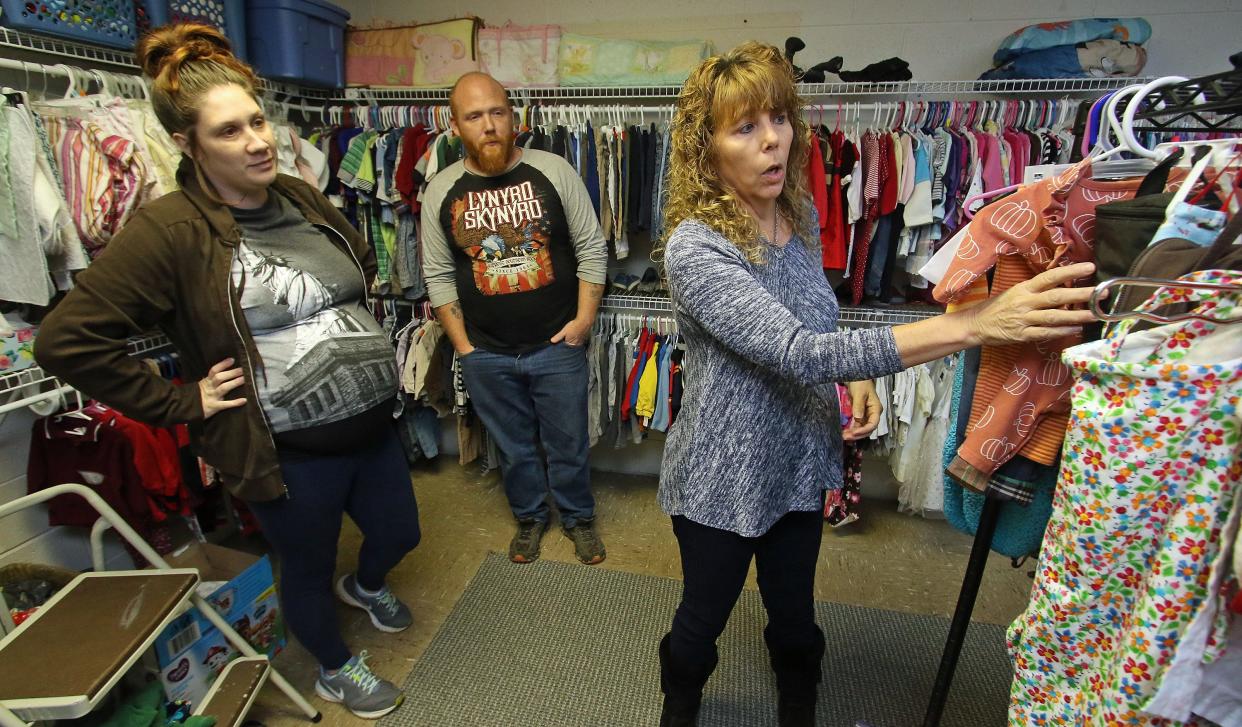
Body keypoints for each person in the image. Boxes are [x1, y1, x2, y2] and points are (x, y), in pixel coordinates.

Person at [652, 42, 1100, 727]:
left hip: (799, 459)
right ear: (706, 149)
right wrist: (977, 321)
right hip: (720, 474)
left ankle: (797, 708)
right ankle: (678, 706)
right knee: (700, 622)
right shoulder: (696, 247)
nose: (773, 140)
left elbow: (818, 319)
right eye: (745, 127)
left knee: (795, 621)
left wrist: (855, 375)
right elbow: (797, 350)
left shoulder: (794, 217)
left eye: (779, 118)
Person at [34, 24, 419, 720]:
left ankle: (365, 583)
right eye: (230, 131)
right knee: (304, 565)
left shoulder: (299, 195)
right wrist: (183, 399)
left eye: (257, 120)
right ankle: (333, 667)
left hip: (371, 426)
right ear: (187, 144)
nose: (257, 140)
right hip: (285, 452)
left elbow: (355, 258)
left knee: (400, 534)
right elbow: (67, 341)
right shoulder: (169, 231)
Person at [421, 72, 609, 565]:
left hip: (557, 344)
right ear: (454, 125)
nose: (489, 126)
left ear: (513, 116)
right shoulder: (441, 190)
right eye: (474, 116)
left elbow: (592, 247)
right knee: (514, 448)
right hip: (486, 352)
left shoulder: (554, 170)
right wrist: (464, 348)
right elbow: (438, 274)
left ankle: (578, 518)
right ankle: (529, 518)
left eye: (497, 112)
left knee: (568, 443)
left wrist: (583, 321)